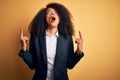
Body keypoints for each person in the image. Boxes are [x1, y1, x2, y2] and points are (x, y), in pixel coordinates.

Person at [19, 3, 84, 80]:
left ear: (60, 17)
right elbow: (32, 65)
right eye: (49, 12)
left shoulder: (67, 38)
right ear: (45, 18)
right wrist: (24, 49)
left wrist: (78, 51)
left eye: (56, 12)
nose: (53, 14)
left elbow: (70, 64)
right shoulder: (36, 36)